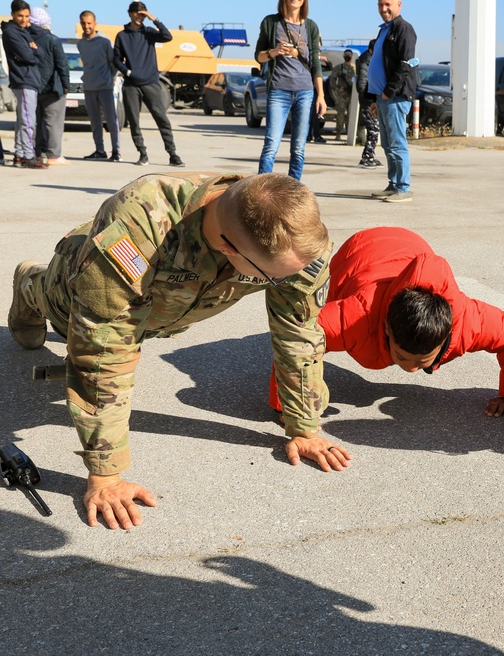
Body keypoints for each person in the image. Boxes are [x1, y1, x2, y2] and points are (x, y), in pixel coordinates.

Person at [8, 172, 349, 530]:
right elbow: (103, 353)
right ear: (228, 248)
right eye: (274, 278)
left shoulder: (296, 241)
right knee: (64, 315)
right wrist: (105, 476)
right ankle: (29, 283)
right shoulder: (138, 228)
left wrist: (304, 427)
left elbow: (299, 332)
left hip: (164, 309)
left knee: (142, 322)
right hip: (80, 282)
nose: (289, 281)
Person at [268, 226, 504, 427]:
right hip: (358, 252)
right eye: (403, 357)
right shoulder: (356, 314)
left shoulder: (470, 321)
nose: (410, 369)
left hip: (411, 243)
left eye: (422, 361)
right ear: (385, 327)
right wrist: (294, 409)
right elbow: (298, 341)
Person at [254, 0, 326, 181]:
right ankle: (262, 191)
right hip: (279, 91)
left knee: (298, 147)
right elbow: (258, 56)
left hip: (305, 92)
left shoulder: (310, 26)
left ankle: (294, 192)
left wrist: (321, 95)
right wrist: (274, 52)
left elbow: (316, 64)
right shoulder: (270, 22)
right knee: (271, 144)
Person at [113, 0, 184, 167]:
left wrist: (153, 18)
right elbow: (116, 59)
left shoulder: (149, 32)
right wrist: (127, 72)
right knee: (134, 121)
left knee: (162, 118)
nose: (140, 16)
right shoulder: (122, 36)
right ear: (130, 13)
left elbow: (167, 36)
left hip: (151, 82)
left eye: (143, 13)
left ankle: (173, 154)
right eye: (137, 13)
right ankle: (142, 154)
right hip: (131, 84)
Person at [368, 0, 416, 203]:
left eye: (387, 4)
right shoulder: (384, 31)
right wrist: (377, 98)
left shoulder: (404, 29)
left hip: (395, 98)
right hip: (383, 98)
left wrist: (388, 92)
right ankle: (393, 184)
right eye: (380, 5)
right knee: (387, 144)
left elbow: (406, 64)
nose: (383, 9)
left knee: (397, 144)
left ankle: (403, 189)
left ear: (399, 4)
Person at [2, 0, 46, 169]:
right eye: (20, 16)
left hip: (29, 80)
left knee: (23, 120)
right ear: (12, 14)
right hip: (23, 79)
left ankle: (20, 154)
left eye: (27, 16)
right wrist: (33, 50)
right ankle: (28, 155)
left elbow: (39, 53)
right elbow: (28, 56)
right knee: (28, 121)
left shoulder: (24, 31)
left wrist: (34, 50)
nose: (24, 19)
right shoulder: (11, 33)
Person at [78, 10, 122, 162]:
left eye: (89, 23)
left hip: (105, 87)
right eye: (83, 23)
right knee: (95, 121)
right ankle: (99, 150)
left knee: (111, 120)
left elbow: (114, 63)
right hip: (89, 87)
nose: (86, 26)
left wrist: (110, 78)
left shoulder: (104, 41)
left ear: (95, 23)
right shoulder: (80, 43)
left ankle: (116, 151)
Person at [29, 7, 69, 166]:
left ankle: (36, 153)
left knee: (35, 123)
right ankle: (54, 155)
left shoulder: (26, 38)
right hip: (53, 89)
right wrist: (66, 85)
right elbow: (62, 64)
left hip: (32, 87)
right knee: (54, 123)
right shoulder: (53, 39)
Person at [355, 39, 381, 169]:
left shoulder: (369, 60)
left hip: (370, 99)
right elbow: (362, 82)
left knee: (374, 129)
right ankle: (367, 157)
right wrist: (369, 98)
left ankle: (369, 155)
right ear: (372, 50)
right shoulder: (366, 61)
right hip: (367, 100)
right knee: (373, 129)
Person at [329, 48, 355, 141]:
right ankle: (338, 134)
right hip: (342, 95)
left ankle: (350, 135)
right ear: (343, 56)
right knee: (340, 115)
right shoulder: (339, 68)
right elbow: (332, 79)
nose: (347, 56)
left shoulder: (355, 68)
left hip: (352, 95)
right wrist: (336, 89)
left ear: (352, 56)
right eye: (346, 55)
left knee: (351, 116)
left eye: (349, 55)